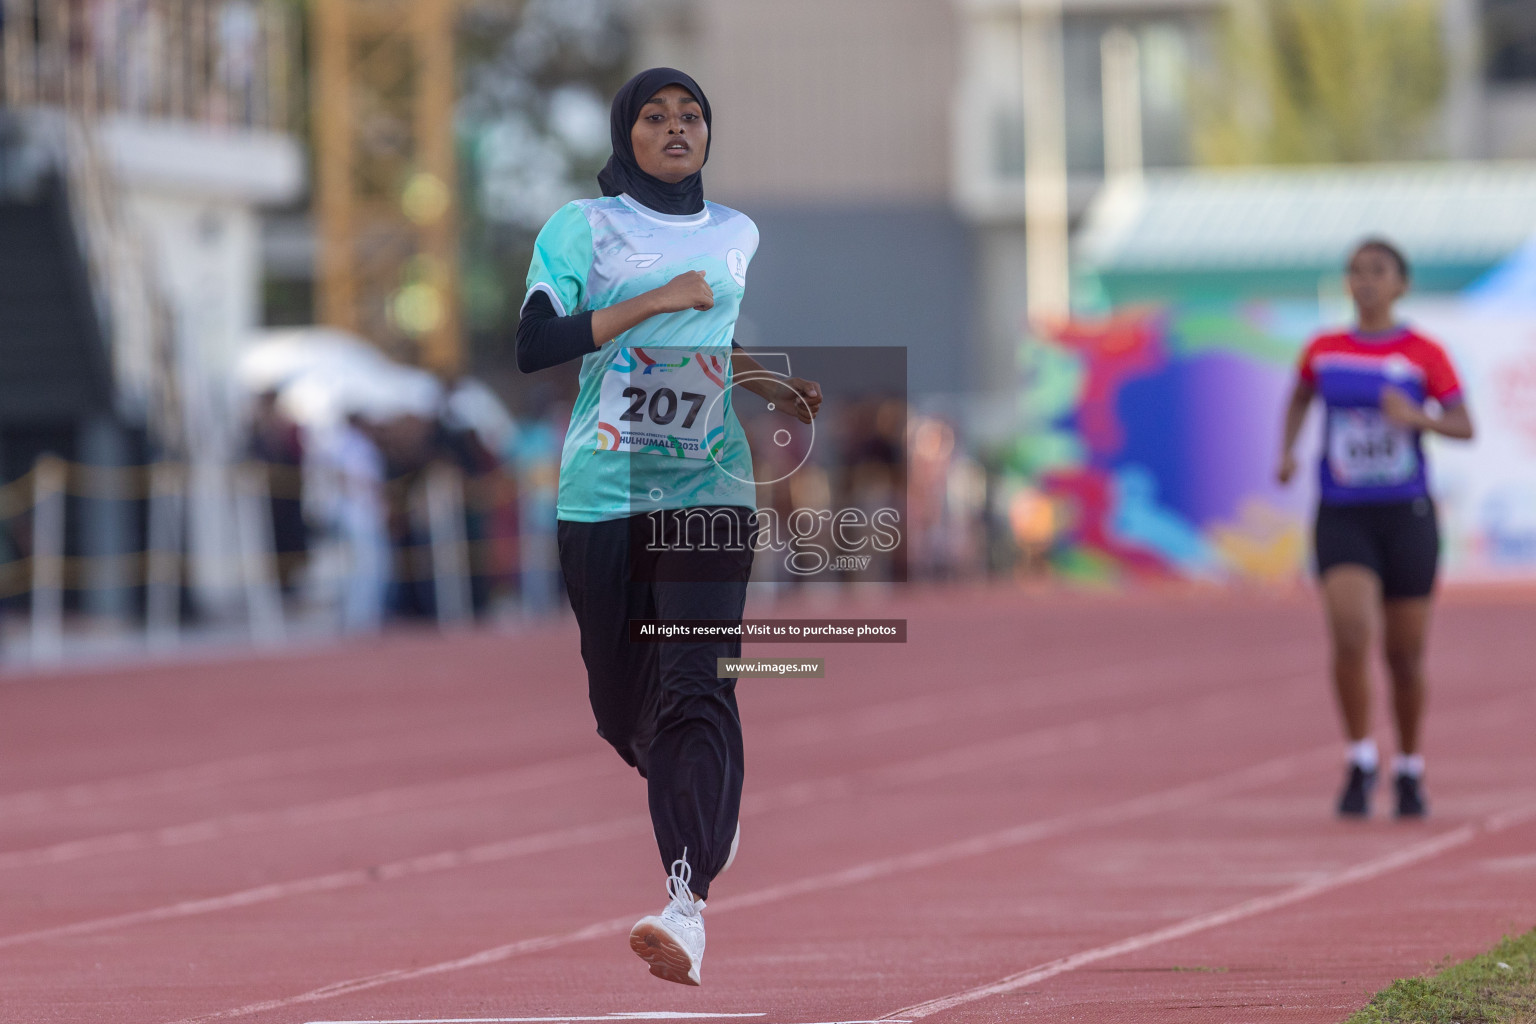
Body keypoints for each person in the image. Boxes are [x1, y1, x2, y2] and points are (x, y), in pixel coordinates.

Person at [515, 68, 821, 985]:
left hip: (708, 488)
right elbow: (534, 346)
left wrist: (768, 384)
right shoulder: (582, 226)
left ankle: (684, 902)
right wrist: (651, 300)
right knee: (626, 714)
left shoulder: (737, 233)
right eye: (656, 117)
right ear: (627, 135)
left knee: (697, 686)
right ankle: (701, 793)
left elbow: (711, 342)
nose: (677, 127)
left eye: (692, 116)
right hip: (605, 495)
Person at [1277, 239, 1474, 819]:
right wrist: (1286, 452)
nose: (1365, 282)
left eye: (1378, 272)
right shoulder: (1324, 349)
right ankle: (1361, 757)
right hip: (1343, 512)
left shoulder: (1423, 353)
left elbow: (1465, 423)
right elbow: (1299, 398)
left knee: (1405, 655)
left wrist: (1417, 418)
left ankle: (1409, 766)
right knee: (1350, 633)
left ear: (1401, 284)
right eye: (1356, 272)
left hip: (1405, 514)